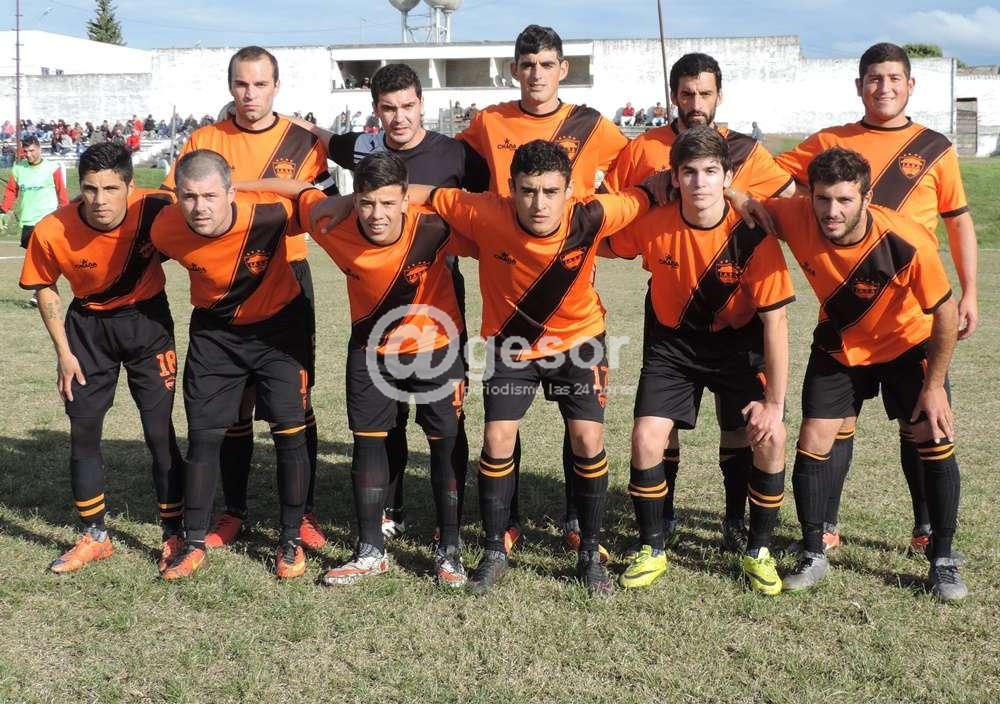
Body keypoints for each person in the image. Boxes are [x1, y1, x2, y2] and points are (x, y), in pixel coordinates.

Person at [398, 140, 669, 595]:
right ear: (510, 189)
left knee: (588, 439)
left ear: (569, 191)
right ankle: (494, 550)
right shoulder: (484, 212)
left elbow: (642, 197)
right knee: (496, 439)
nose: (539, 203)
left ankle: (590, 554)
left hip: (579, 343)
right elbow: (425, 194)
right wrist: (370, 196)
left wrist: (665, 185)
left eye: (550, 191)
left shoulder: (593, 215)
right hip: (512, 349)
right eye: (527, 191)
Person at [774, 42, 978, 556]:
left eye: (893, 78)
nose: (883, 87)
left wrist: (971, 290)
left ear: (910, 85)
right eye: (873, 78)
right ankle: (824, 527)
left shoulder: (934, 147)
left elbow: (958, 221)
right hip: (846, 313)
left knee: (920, 426)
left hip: (912, 310)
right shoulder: (830, 141)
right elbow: (770, 181)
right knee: (834, 425)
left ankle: (927, 530)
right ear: (859, 85)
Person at [742, 147, 966, 601]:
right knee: (812, 440)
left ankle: (942, 559)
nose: (832, 211)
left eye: (845, 200)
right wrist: (735, 194)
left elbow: (945, 314)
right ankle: (813, 550)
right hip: (840, 345)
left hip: (908, 346)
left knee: (934, 437)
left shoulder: (907, 241)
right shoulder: (796, 216)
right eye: (822, 199)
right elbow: (746, 201)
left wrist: (935, 386)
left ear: (866, 198)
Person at [605, 52, 795, 555]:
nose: (695, 103)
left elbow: (785, 201)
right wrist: (646, 194)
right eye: (686, 94)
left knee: (740, 425)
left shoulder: (746, 151)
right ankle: (661, 522)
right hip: (672, 320)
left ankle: (737, 522)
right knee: (657, 430)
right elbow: (609, 211)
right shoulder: (643, 147)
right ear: (673, 96)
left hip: (736, 323)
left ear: (719, 96)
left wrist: (742, 197)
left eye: (704, 93)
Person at [291, 62, 488, 544]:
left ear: (422, 103)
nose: (399, 117)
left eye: (407, 106)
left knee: (445, 419)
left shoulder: (456, 154)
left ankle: (449, 523)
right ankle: (390, 509)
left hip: (436, 291)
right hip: (378, 296)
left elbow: (490, 205)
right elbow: (323, 140)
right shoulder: (364, 147)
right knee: (388, 413)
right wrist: (281, 119)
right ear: (375, 110)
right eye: (388, 108)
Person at [457, 24, 628, 555]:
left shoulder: (593, 125)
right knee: (501, 430)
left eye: (546, 64)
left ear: (563, 70)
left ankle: (579, 521)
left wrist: (598, 234)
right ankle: (503, 526)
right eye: (527, 64)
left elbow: (639, 174)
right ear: (514, 70)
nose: (536, 74)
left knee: (583, 430)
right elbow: (447, 167)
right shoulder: (489, 121)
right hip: (509, 282)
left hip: (569, 291)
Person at [162, 45, 339, 553]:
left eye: (260, 84)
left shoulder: (303, 140)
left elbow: (322, 202)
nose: (250, 94)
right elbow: (179, 202)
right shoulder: (205, 139)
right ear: (230, 86)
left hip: (287, 271)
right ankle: (233, 510)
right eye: (241, 84)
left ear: (276, 86)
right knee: (233, 406)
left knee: (295, 402)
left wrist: (246, 187)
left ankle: (304, 513)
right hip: (224, 277)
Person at [153, 150, 325, 581]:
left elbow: (310, 195)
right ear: (177, 196)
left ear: (230, 193)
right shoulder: (165, 226)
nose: (200, 207)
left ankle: (290, 538)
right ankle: (194, 542)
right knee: (203, 435)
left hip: (279, 331)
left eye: (210, 196)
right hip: (216, 333)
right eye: (189, 197)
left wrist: (251, 184)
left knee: (289, 432)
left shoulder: (270, 213)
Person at [18, 142, 183, 575]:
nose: (99, 200)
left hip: (148, 324)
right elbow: (45, 286)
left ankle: (174, 532)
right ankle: (95, 536)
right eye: (90, 188)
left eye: (111, 188)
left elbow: (208, 226)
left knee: (158, 431)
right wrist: (63, 352)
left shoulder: (156, 210)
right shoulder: (52, 229)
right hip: (87, 331)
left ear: (130, 186)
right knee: (84, 430)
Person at [306, 153, 469, 587]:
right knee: (368, 444)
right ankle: (370, 551)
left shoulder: (436, 225)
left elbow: (489, 211)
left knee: (445, 443)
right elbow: (295, 195)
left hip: (437, 347)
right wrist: (340, 201)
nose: (376, 214)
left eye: (387, 203)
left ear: (405, 200)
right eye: (366, 203)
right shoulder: (331, 226)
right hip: (370, 350)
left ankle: (449, 551)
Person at [2, 135, 69, 305]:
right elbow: (11, 191)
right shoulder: (18, 169)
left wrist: (67, 213)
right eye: (25, 151)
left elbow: (62, 192)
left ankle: (39, 293)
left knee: (43, 257)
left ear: (39, 148)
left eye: (32, 150)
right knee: (36, 258)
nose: (29, 154)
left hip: (48, 219)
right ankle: (41, 291)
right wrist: (4, 209)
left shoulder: (52, 168)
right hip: (28, 221)